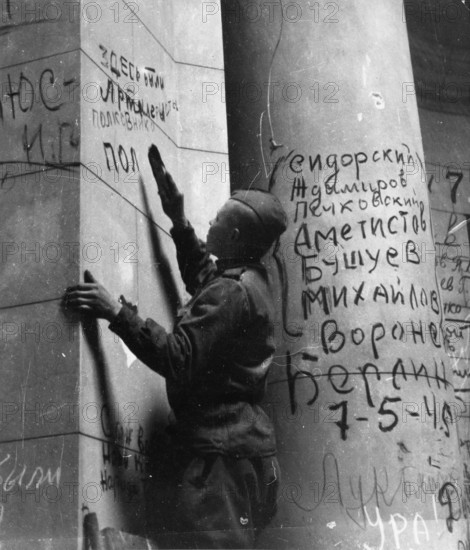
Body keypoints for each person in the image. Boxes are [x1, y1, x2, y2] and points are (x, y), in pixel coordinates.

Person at [64, 144, 287, 549]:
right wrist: (178, 219)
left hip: (219, 458)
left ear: (234, 237)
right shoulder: (249, 281)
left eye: (216, 220)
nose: (211, 223)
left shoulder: (231, 294)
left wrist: (114, 310)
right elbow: (206, 279)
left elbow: (178, 356)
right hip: (236, 449)